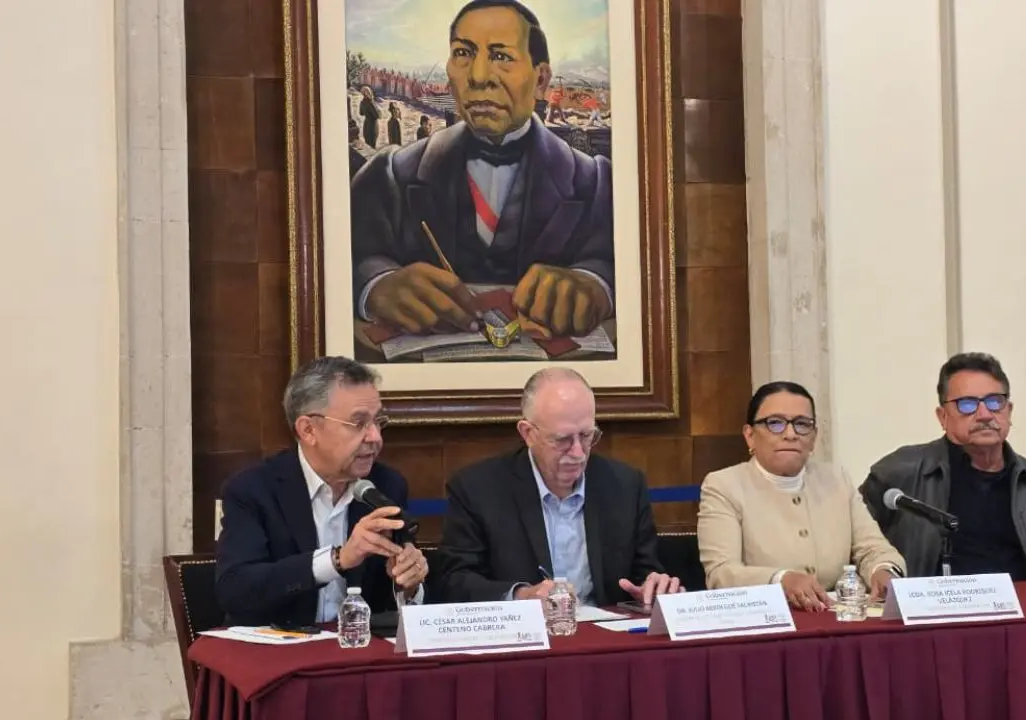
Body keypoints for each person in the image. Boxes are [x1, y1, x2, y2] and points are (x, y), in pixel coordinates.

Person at [349, 0, 614, 340]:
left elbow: (626, 264)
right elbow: (344, 257)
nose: (477, 77)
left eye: (501, 56)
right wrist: (376, 286)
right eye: (463, 53)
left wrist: (596, 285)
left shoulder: (596, 184)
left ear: (541, 79)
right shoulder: (389, 176)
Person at [433, 368, 681, 606]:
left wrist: (653, 586)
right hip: (524, 639)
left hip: (604, 635)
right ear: (528, 433)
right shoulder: (478, 489)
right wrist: (521, 596)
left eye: (586, 436)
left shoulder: (625, 486)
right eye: (562, 439)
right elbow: (454, 582)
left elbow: (645, 572)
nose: (578, 453)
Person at [215, 357, 429, 627]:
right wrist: (338, 559)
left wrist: (408, 584)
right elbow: (235, 590)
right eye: (358, 423)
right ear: (308, 430)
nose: (375, 437)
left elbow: (388, 604)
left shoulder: (386, 485)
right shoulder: (253, 490)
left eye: (378, 422)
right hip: (278, 654)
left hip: (357, 652)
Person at [859, 352, 1026, 581]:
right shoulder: (898, 474)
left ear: (1009, 411)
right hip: (932, 613)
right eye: (967, 405)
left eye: (995, 402)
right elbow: (857, 549)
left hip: (1024, 613)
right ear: (942, 417)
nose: (985, 414)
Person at [698, 382, 905, 612]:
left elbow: (872, 548)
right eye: (775, 423)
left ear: (814, 437)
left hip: (835, 618)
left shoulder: (836, 480)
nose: (790, 434)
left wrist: (883, 570)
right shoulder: (724, 486)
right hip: (768, 620)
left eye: (801, 424)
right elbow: (721, 573)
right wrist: (781, 579)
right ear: (750, 436)